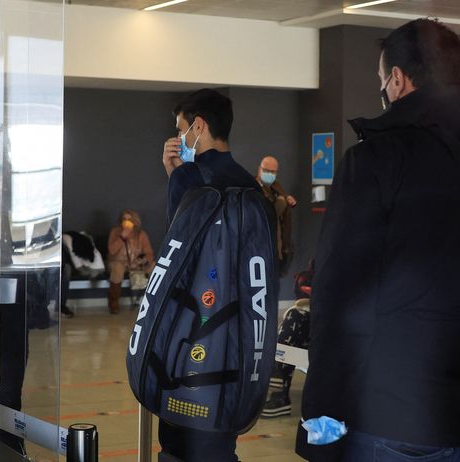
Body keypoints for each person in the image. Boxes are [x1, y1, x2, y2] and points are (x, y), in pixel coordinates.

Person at [298, 18, 460, 461]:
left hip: (399, 421)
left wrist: (323, 421)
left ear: (397, 80)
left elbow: (339, 301)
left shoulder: (375, 159)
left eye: (381, 80)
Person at [160, 88, 263, 462]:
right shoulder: (250, 184)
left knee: (178, 445)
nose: (178, 138)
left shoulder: (191, 180)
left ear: (198, 126)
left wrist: (175, 177)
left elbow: (176, 261)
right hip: (235, 337)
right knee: (219, 444)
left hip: (192, 336)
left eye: (181, 129)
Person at [262, 260, 314, 418]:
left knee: (295, 316)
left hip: (337, 351)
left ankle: (276, 374)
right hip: (309, 351)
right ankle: (280, 394)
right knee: (295, 317)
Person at [107, 210, 154, 314]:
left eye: (129, 219)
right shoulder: (115, 232)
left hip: (135, 263)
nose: (126, 221)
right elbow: (112, 251)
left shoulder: (141, 234)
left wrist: (144, 259)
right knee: (117, 267)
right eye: (124, 219)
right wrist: (122, 237)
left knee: (154, 266)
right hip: (118, 262)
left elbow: (149, 253)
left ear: (135, 221)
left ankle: (154, 301)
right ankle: (113, 303)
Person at [256, 156, 296, 276]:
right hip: (261, 249)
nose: (269, 174)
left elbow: (281, 202)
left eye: (272, 172)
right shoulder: (252, 188)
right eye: (266, 170)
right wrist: (281, 204)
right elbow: (263, 216)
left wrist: (287, 200)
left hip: (278, 247)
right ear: (259, 169)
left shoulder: (276, 186)